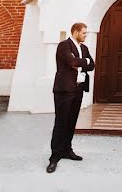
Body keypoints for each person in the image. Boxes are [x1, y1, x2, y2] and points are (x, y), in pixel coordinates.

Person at [47, 22, 95, 173]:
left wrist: (83, 62)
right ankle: (54, 157)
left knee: (72, 121)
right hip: (64, 90)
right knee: (61, 122)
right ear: (75, 32)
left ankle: (67, 150)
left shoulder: (84, 48)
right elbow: (71, 61)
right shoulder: (64, 46)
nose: (86, 35)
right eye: (84, 33)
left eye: (86, 33)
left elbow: (92, 64)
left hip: (78, 89)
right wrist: (82, 61)